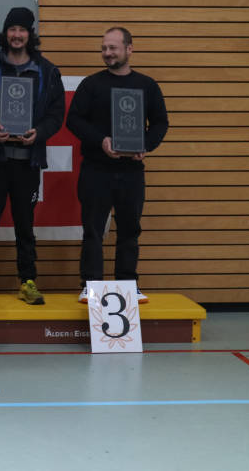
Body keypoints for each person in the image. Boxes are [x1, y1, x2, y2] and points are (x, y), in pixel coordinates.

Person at [66, 27, 169, 304]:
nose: (107, 53)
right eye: (104, 48)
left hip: (131, 172)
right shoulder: (91, 85)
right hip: (96, 170)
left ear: (129, 49)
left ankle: (128, 285)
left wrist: (146, 145)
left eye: (113, 48)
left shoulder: (147, 85)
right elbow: (73, 120)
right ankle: (91, 285)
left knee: (130, 231)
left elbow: (160, 123)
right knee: (92, 230)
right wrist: (100, 140)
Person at [0, 7, 64, 306]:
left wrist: (40, 132)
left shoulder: (48, 71)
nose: (17, 35)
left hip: (27, 162)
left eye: (22, 29)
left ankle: (28, 281)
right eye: (12, 29)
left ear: (30, 34)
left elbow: (56, 114)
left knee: (25, 225)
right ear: (5, 33)